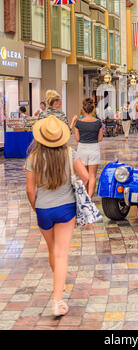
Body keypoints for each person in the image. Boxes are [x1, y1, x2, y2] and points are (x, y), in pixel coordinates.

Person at [25, 115, 89, 317]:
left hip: (43, 210)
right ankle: (57, 300)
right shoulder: (70, 154)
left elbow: (29, 189)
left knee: (53, 251)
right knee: (61, 254)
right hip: (66, 209)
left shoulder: (33, 157)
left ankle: (58, 284)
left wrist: (37, 207)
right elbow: (86, 177)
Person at [73, 97, 103, 198]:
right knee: (92, 176)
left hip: (82, 149)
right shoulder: (98, 122)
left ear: (83, 109)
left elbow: (77, 139)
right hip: (94, 148)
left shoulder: (78, 123)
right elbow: (100, 138)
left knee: (83, 175)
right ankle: (89, 198)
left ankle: (84, 197)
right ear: (93, 109)